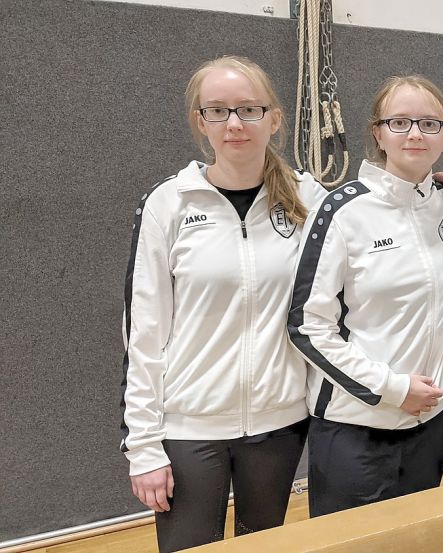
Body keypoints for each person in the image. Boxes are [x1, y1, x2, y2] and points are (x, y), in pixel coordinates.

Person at [119, 55, 327, 552]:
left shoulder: (309, 198)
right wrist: (144, 446)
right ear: (201, 122)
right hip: (190, 426)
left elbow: (377, 220)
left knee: (262, 546)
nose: (234, 123)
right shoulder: (169, 204)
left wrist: (435, 189)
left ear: (274, 119)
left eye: (249, 109)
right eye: (218, 110)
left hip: (279, 423)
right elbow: (143, 332)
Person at [289, 75, 443, 517]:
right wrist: (392, 388)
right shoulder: (342, 211)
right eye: (400, 122)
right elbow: (306, 326)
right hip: (357, 424)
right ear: (378, 133)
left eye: (429, 123)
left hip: (432, 420)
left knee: (419, 540)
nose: (415, 134)